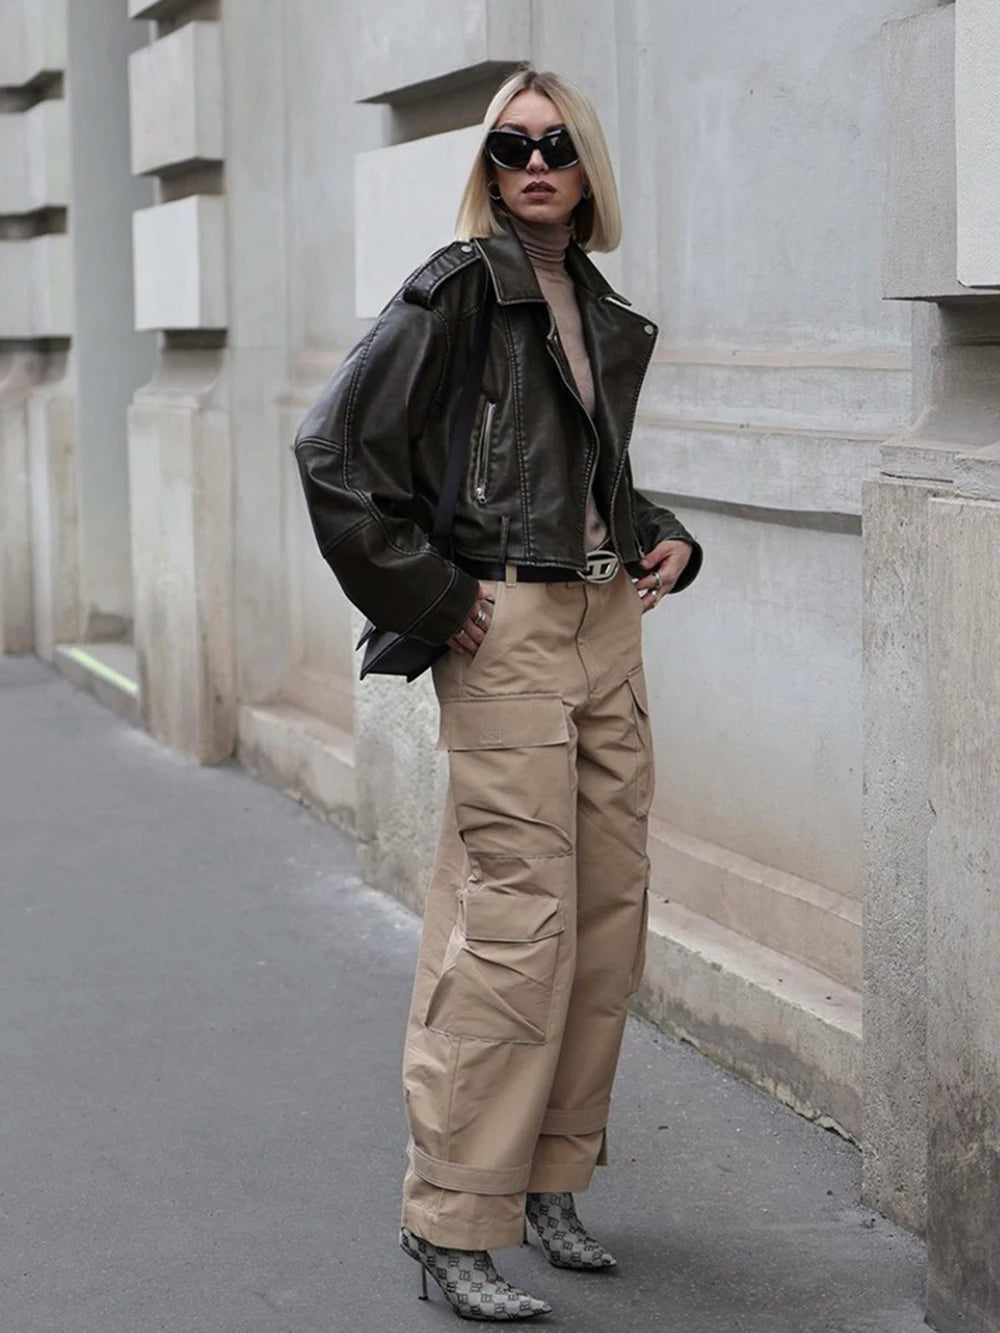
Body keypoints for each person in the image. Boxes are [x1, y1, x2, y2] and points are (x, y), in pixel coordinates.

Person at [295, 66, 702, 1323]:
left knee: (606, 914)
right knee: (514, 919)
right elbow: (335, 456)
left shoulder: (594, 300)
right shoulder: (456, 290)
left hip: (602, 621)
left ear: (588, 171)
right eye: (513, 144)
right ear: (489, 164)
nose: (535, 162)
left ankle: (550, 1179)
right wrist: (435, 598)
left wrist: (661, 531)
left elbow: (576, 471)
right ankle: (453, 1214)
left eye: (558, 144)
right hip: (509, 629)